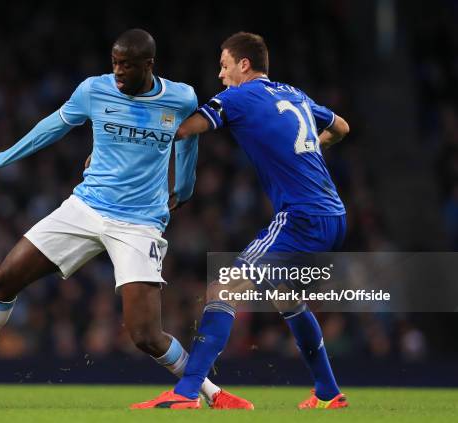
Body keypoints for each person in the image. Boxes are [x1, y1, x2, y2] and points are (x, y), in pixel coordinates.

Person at [0, 28, 251, 409]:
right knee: (3, 280)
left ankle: (212, 394)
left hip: (138, 223)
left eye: (127, 65)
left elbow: (188, 139)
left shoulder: (180, 96)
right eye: (115, 63)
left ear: (148, 65)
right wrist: (8, 155)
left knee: (145, 334)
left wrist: (185, 187)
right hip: (86, 208)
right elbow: (55, 124)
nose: (119, 71)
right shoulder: (94, 89)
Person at [132, 32, 350, 410]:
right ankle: (329, 393)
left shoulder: (239, 96)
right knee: (286, 299)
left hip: (300, 217)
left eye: (224, 64)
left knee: (222, 289)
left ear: (244, 65)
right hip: (335, 215)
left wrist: (126, 146)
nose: (220, 74)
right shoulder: (293, 94)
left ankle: (186, 392)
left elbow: (184, 129)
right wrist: (312, 149)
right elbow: (342, 127)